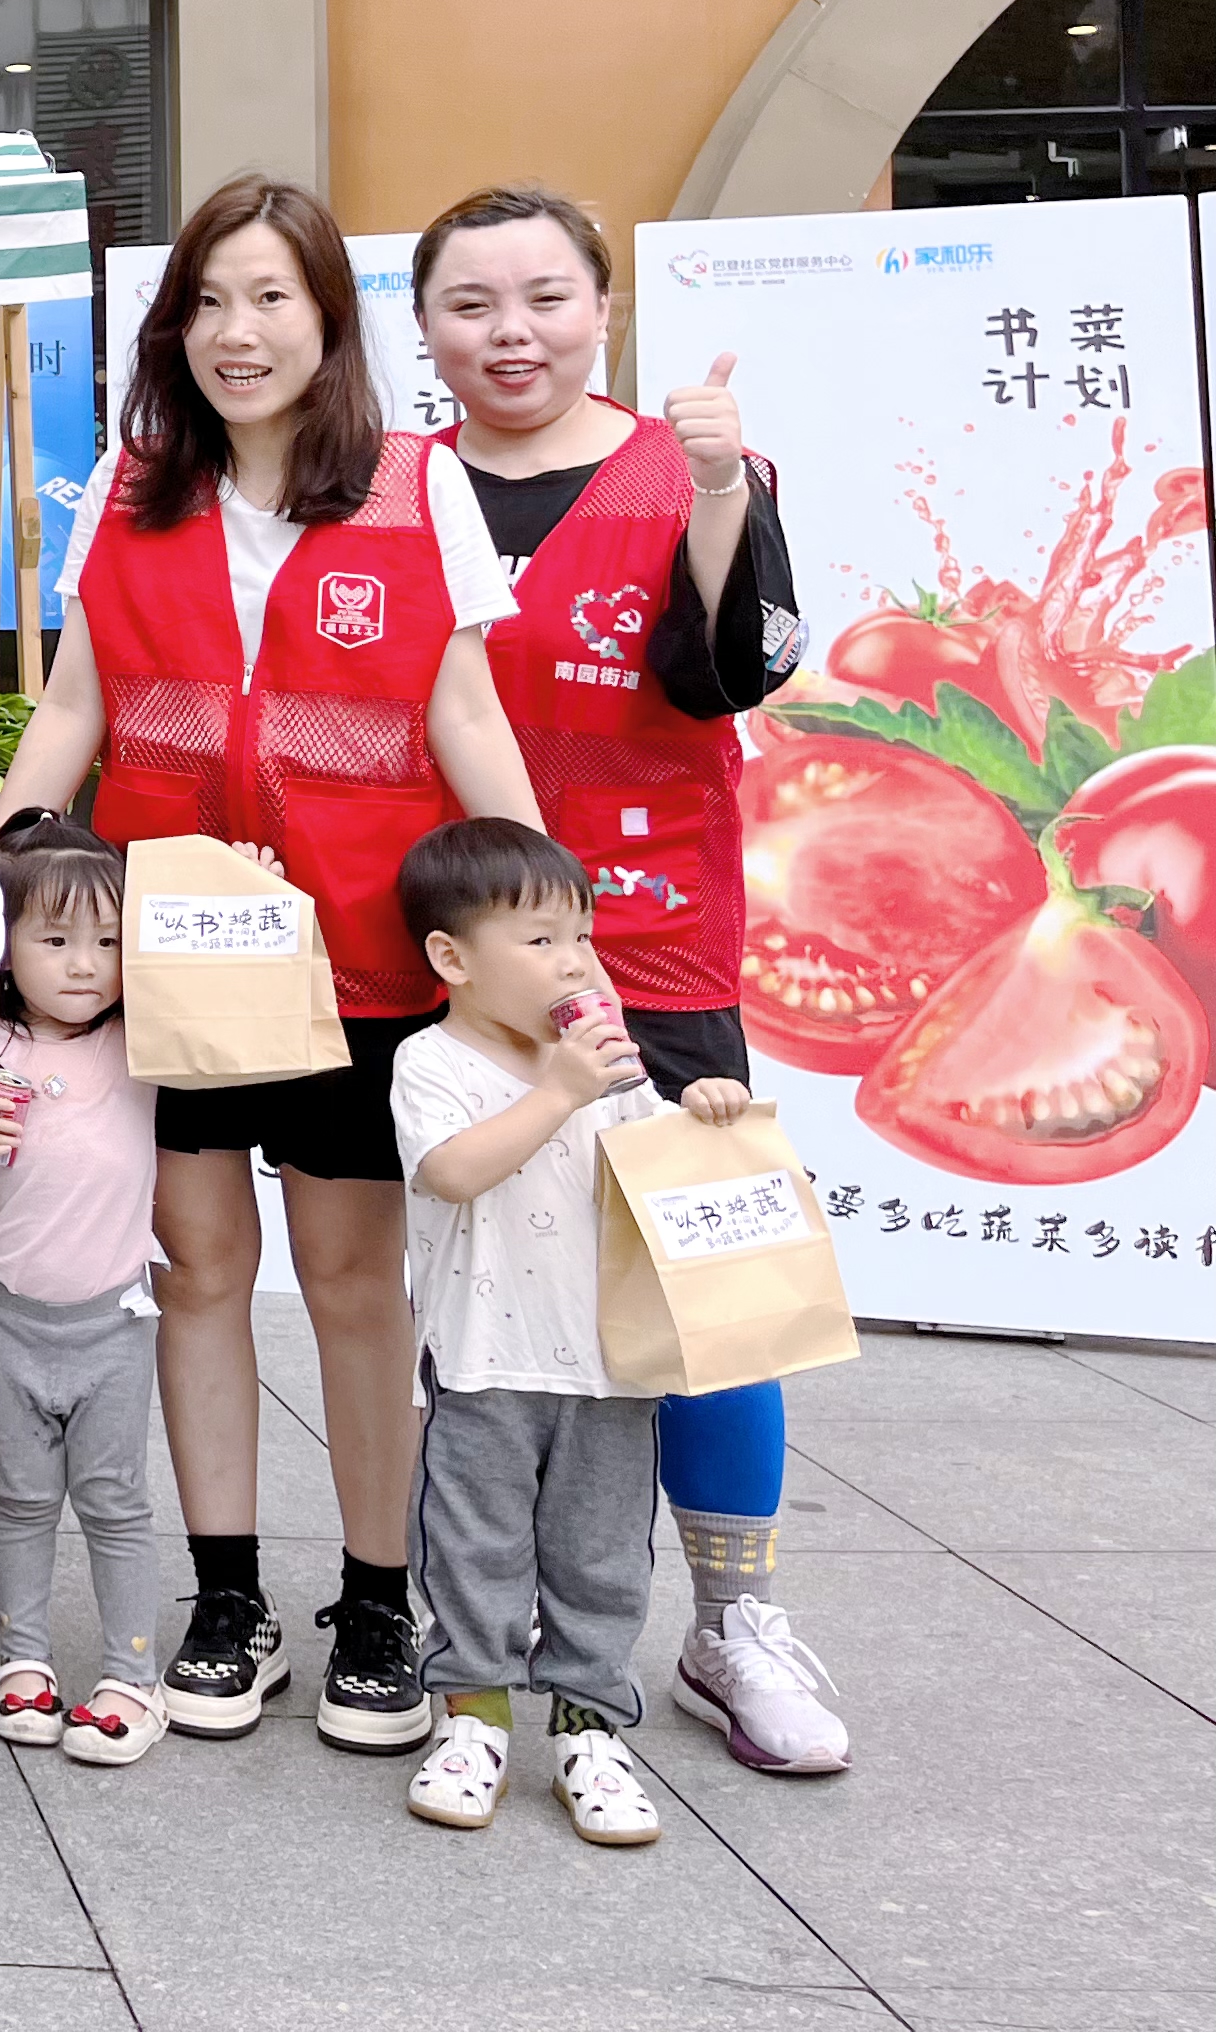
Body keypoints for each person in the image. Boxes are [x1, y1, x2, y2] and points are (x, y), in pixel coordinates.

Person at [0, 172, 540, 1759]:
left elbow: (466, 721)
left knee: (360, 1284)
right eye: (209, 303)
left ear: (329, 322)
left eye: (272, 300)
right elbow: (77, 711)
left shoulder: (421, 487)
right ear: (176, 328)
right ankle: (224, 1595)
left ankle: (379, 1598)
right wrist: (5, 863)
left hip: (360, 962)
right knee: (201, 1273)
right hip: (168, 950)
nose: (238, 334)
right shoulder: (127, 486)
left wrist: (547, 938)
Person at [411, 179, 848, 1777]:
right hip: (448, 945)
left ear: (603, 308)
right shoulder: (396, 485)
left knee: (700, 1291)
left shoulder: (693, 469)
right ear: (425, 329)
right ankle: (456, 1620)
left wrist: (723, 492)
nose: (509, 332)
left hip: (649, 939)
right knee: (471, 1280)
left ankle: (735, 1624)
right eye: (471, 303)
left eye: (543, 297)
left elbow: (725, 669)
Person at [389, 818, 757, 1844]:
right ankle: (473, 1719)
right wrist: (558, 1090)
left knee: (601, 1557)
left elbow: (662, 1174)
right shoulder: (432, 1063)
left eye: (582, 937)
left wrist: (707, 1111)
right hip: (483, 1361)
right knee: (475, 1547)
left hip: (606, 1362)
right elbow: (453, 1172)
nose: (573, 960)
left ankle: (591, 1728)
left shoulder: (611, 1071)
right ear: (453, 960)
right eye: (541, 940)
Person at [0, 812, 164, 1767]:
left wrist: (235, 887)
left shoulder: (141, 1035)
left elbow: (229, 992)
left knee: (115, 1502)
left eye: (108, 941)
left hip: (114, 1316)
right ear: (5, 948)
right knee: (21, 1499)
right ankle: (23, 1662)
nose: (84, 964)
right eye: (55, 940)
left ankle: (130, 1674)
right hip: (11, 1314)